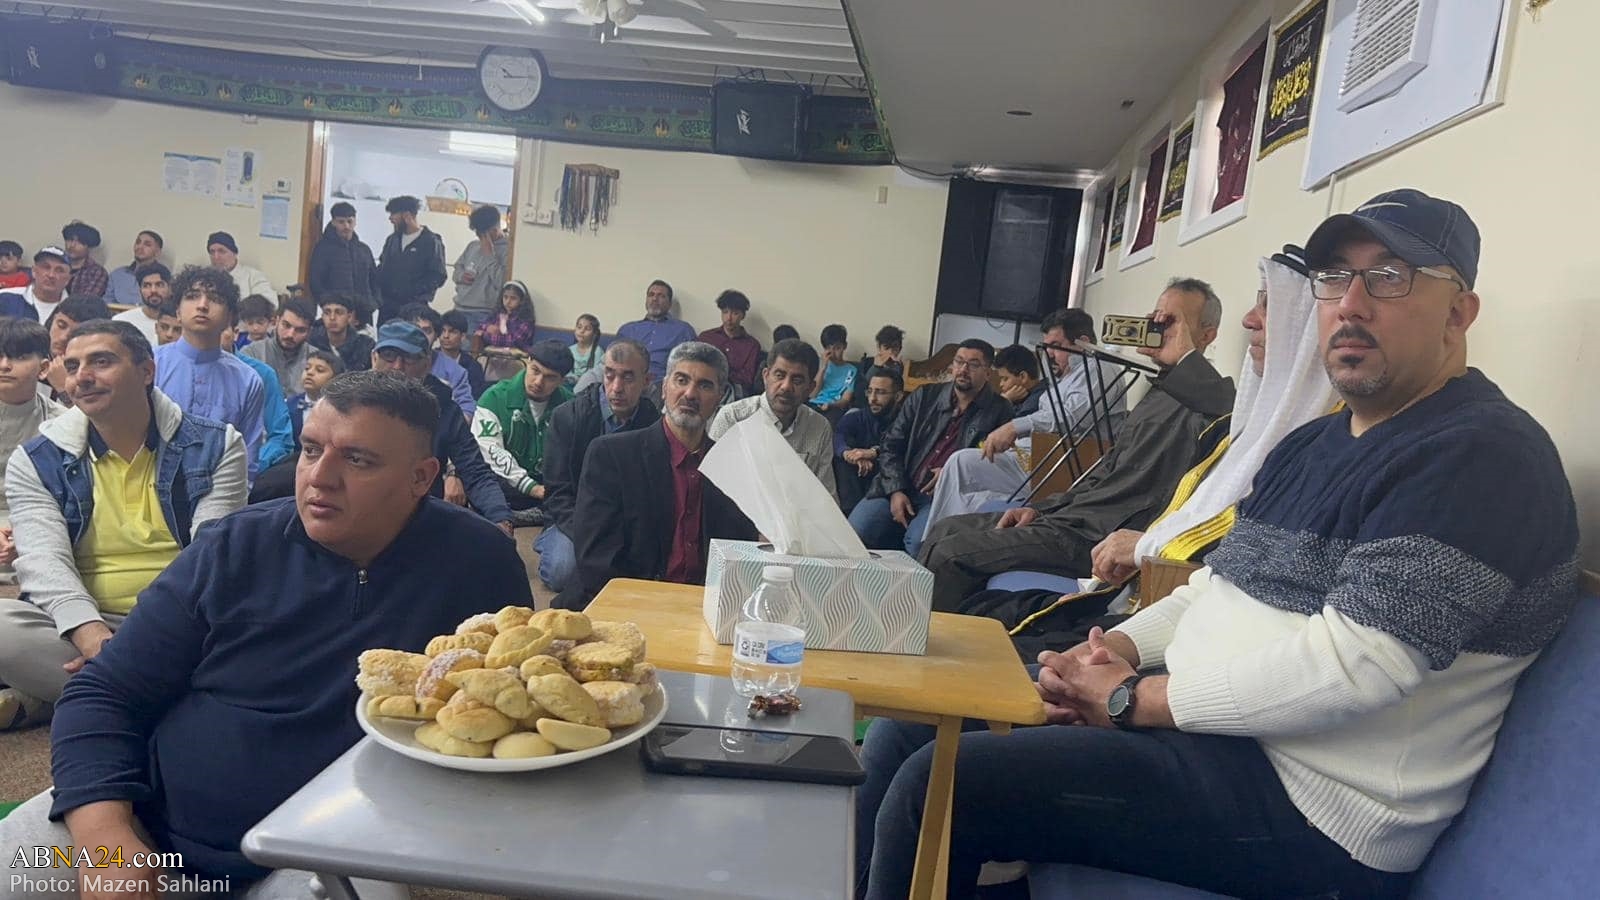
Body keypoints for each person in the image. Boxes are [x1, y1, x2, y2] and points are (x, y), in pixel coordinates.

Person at [855, 189, 1580, 900]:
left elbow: (1357, 669)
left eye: (1389, 277)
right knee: (906, 729)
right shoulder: (1313, 444)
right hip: (1211, 734)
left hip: (1314, 810)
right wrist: (1110, 653)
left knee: (944, 784)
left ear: (1458, 312)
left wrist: (1133, 699)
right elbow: (1213, 589)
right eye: (1335, 277)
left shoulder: (1480, 455)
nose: (1351, 304)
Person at [0, 370, 531, 893]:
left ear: (421, 477)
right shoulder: (232, 547)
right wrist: (106, 842)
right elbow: (104, 692)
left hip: (325, 849)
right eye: (310, 449)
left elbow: (514, 714)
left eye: (357, 459)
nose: (319, 477)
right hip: (144, 823)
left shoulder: (478, 564)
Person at [977, 248, 1341, 659]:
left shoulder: (1236, 414)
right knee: (982, 608)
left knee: (976, 611)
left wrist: (1144, 547)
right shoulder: (1191, 403)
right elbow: (1107, 470)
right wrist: (1043, 509)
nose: (1249, 320)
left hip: (1137, 580)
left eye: (1269, 306)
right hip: (1121, 569)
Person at [917, 280, 1235, 611]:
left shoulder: (1206, 400)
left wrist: (1185, 358)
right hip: (1071, 518)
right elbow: (1104, 473)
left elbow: (1228, 408)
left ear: (1207, 334)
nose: (1157, 327)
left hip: (1094, 536)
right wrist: (1040, 509)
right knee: (945, 529)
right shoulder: (1160, 393)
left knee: (948, 554)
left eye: (1171, 321)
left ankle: (931, 638)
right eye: (1155, 317)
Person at [0, 320, 246, 730]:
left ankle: (81, 695)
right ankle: (166, 698)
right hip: (86, 624)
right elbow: (44, 562)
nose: (82, 377)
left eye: (101, 362)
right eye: (73, 366)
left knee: (262, 633)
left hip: (185, 623)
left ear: (146, 371)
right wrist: (92, 637)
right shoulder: (36, 459)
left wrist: (139, 646)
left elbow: (209, 560)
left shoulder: (218, 445)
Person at [554, 341, 756, 610]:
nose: (690, 394)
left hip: (701, 608)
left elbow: (738, 557)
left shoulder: (732, 467)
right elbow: (597, 561)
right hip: (625, 604)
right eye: (681, 380)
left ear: (719, 397)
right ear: (663, 388)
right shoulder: (612, 455)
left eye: (705, 385)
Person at [921, 308, 1128, 531]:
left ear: (1083, 343)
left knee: (961, 464)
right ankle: (941, 539)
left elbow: (1070, 418)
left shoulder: (1100, 369)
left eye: (1056, 346)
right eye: (1046, 346)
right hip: (1037, 459)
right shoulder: (1066, 376)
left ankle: (936, 541)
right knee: (961, 467)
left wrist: (1013, 427)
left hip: (1064, 466)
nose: (1049, 354)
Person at [847, 339, 1013, 557]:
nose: (963, 369)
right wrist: (896, 489)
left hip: (943, 498)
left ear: (988, 373)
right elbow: (891, 444)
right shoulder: (924, 396)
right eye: (959, 361)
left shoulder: (1000, 411)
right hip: (897, 483)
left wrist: (955, 471)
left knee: (920, 544)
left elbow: (996, 467)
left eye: (973, 364)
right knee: (853, 531)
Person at [369, 321, 512, 533]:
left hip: (420, 514)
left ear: (427, 363)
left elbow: (475, 471)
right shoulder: (350, 404)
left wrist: (500, 518)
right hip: (360, 510)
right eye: (389, 355)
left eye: (409, 358)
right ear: (374, 358)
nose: (398, 366)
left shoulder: (445, 409)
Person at [539, 339, 658, 593]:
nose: (616, 388)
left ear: (647, 381)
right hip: (573, 518)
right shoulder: (567, 417)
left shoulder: (654, 424)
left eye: (628, 377)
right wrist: (587, 533)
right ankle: (548, 539)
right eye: (610, 375)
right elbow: (557, 491)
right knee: (563, 572)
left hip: (625, 523)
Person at [154, 266, 268, 482]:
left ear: (229, 317)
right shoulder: (150, 365)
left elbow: (247, 462)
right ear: (177, 312)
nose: (202, 305)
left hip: (220, 493)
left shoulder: (247, 381)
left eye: (214, 299)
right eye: (192, 296)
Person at [709, 337, 837, 502]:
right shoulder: (733, 418)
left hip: (796, 514)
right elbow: (709, 485)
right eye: (779, 375)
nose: (786, 386)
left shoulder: (819, 427)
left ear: (810, 388)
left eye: (797, 380)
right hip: (737, 511)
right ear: (766, 376)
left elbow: (825, 496)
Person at [472, 340, 573, 523]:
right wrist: (532, 488)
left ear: (562, 380)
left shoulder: (570, 405)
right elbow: (491, 450)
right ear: (528, 361)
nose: (538, 382)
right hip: (506, 484)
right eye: (535, 370)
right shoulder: (494, 398)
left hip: (549, 487)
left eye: (550, 377)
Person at [0, 320, 65, 588]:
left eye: (19, 357)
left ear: (44, 368)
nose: (5, 365)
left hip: (35, 524)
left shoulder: (62, 424)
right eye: (0, 355)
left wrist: (26, 532)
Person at [834, 366, 902, 514]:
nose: (872, 399)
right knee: (841, 458)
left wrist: (873, 452)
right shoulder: (858, 417)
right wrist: (848, 454)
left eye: (880, 392)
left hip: (887, 488)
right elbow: (838, 435)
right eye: (870, 391)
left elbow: (903, 447)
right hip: (856, 484)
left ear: (898, 396)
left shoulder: (905, 421)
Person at [376, 195, 447, 323]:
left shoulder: (431, 241)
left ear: (407, 216)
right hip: (387, 308)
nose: (390, 219)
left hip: (414, 309)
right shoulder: (392, 240)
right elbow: (382, 268)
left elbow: (438, 275)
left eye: (393, 214)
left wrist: (415, 294)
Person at [307, 201, 380, 325]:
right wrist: (328, 306)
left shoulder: (363, 249)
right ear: (333, 222)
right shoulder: (323, 249)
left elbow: (374, 280)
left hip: (364, 313)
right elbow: (316, 282)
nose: (346, 226)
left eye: (350, 221)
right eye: (341, 222)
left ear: (355, 221)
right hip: (336, 315)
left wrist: (374, 303)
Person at [400, 303, 475, 417]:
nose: (420, 336)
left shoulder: (456, 372)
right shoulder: (391, 362)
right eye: (414, 329)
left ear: (436, 335)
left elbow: (467, 410)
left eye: (427, 331)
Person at [616, 279, 696, 383]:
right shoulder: (628, 329)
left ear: (669, 304)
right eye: (651, 295)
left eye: (661, 296)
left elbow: (692, 365)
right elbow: (614, 360)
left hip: (663, 382)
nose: (654, 299)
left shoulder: (683, 330)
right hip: (629, 379)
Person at [40, 297, 113, 405]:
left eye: (76, 333)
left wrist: (64, 389)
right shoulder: (29, 357)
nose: (64, 337)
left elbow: (95, 415)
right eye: (61, 325)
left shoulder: (102, 373)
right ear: (52, 320)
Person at [451, 204, 508, 335]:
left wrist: (489, 255)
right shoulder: (473, 246)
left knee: (471, 346)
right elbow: (456, 270)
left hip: (483, 313)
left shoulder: (508, 251)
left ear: (494, 230)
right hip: (459, 307)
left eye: (482, 233)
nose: (478, 236)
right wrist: (461, 276)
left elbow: (502, 283)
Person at [241, 297, 315, 398]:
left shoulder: (316, 359)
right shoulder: (251, 354)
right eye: (286, 325)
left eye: (300, 330)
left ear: (309, 332)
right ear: (276, 321)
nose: (290, 334)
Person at [697, 290, 762, 397]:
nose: (729, 318)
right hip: (705, 384)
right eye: (725, 312)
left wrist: (721, 373)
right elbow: (696, 365)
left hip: (734, 390)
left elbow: (747, 379)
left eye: (735, 313)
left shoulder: (752, 345)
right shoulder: (706, 337)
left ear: (743, 316)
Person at [476, 280, 537, 383]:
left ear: (522, 301)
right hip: (494, 354)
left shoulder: (526, 319)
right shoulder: (497, 313)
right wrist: (488, 328)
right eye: (505, 297)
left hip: (516, 357)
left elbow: (514, 340)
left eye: (513, 298)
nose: (508, 302)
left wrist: (487, 336)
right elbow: (481, 326)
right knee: (481, 360)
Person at [0, 245, 71, 323]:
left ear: (68, 279)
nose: (51, 275)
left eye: (59, 270)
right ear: (33, 271)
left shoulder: (75, 309)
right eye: (46, 267)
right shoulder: (5, 298)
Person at [308, 293, 375, 374]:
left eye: (339, 312)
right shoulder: (311, 342)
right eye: (327, 312)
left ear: (349, 317)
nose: (332, 318)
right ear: (322, 316)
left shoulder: (366, 346)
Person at [291, 348, 344, 446]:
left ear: (335, 379)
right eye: (307, 368)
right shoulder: (289, 405)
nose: (310, 372)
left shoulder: (341, 409)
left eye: (320, 370)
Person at [111, 263, 171, 346]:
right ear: (140, 289)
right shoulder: (121, 321)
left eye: (159, 285)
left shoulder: (179, 323)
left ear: (170, 288)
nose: (153, 290)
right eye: (147, 285)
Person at [103, 230, 164, 308]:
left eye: (147, 244)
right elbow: (107, 303)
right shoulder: (117, 275)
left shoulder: (163, 276)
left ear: (157, 252)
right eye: (138, 242)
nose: (140, 247)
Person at [206, 231, 274, 299]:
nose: (216, 257)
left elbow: (268, 301)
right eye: (212, 252)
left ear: (234, 254)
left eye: (221, 251)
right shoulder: (205, 278)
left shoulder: (253, 276)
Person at [853, 325, 904, 410]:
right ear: (879, 348)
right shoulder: (866, 363)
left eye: (895, 348)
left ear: (900, 349)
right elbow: (859, 395)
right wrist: (876, 367)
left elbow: (898, 397)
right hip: (864, 407)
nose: (890, 352)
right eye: (886, 347)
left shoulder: (902, 368)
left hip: (889, 410)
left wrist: (898, 369)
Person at [810, 323, 856, 418]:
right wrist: (823, 368)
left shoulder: (851, 370)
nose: (832, 353)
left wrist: (830, 405)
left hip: (833, 407)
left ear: (845, 346)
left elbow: (845, 400)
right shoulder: (819, 363)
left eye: (837, 348)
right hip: (812, 404)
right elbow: (812, 394)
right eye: (828, 348)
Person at [439, 309, 486, 398]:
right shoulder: (429, 360)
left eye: (452, 332)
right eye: (443, 331)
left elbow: (474, 397)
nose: (446, 336)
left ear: (463, 336)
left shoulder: (473, 367)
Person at [992, 344, 1046, 414]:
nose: (1001, 384)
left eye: (1005, 379)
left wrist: (1004, 402)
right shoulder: (1020, 398)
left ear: (1023, 377)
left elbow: (993, 420)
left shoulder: (1036, 402)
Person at [60, 222, 108, 300]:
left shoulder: (96, 272)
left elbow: (85, 301)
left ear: (89, 246)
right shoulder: (56, 265)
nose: (72, 245)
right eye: (70, 240)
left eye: (79, 242)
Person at [568, 313, 602, 387]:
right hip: (570, 383)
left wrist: (582, 381)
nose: (582, 331)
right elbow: (566, 371)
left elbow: (596, 374)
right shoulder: (570, 350)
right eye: (579, 327)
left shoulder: (597, 351)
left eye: (587, 329)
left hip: (588, 386)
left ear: (595, 334)